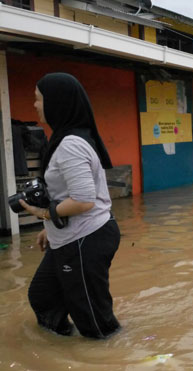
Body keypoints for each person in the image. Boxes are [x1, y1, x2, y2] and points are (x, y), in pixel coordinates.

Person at [20, 73, 121, 338]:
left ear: (57, 103)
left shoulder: (70, 145)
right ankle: (62, 350)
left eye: (38, 99)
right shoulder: (66, 138)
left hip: (86, 237)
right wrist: (49, 226)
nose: (35, 105)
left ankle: (114, 357)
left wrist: (43, 213)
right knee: (43, 297)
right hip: (70, 237)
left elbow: (84, 200)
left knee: (94, 320)